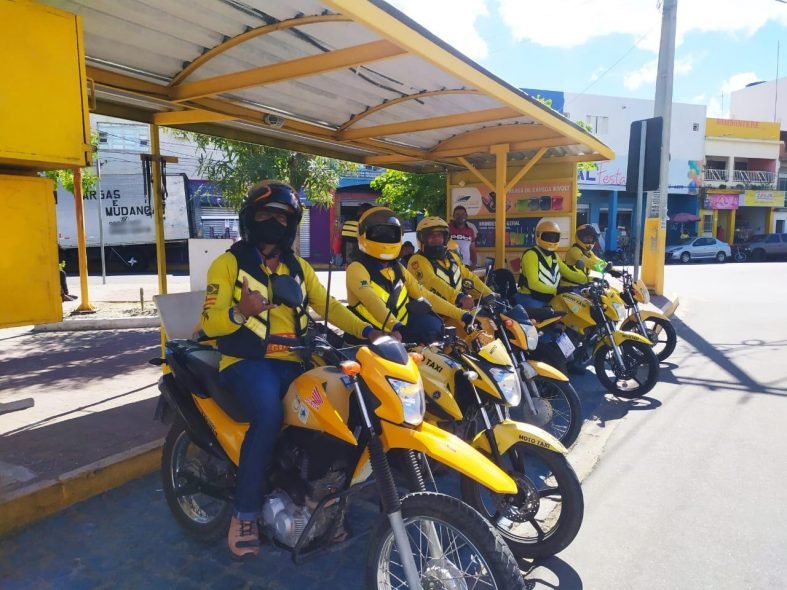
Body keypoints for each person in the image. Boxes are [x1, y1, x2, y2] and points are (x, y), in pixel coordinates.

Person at [200, 181, 382, 558]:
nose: (273, 223)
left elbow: (330, 307)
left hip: (295, 359)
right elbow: (210, 321)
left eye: (282, 218)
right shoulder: (228, 264)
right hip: (246, 361)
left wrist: (369, 331)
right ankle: (245, 514)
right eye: (265, 215)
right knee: (268, 416)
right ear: (250, 218)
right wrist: (241, 311)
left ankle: (322, 501)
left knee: (341, 409)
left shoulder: (298, 268)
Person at [346, 207, 472, 345]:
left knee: (434, 329)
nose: (386, 238)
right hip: (367, 341)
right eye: (379, 234)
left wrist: (461, 314)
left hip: (399, 337)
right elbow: (371, 300)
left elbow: (425, 295)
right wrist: (395, 325)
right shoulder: (356, 268)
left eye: (391, 234)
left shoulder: (397, 268)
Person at [407, 216, 494, 309]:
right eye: (431, 236)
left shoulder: (452, 257)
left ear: (445, 238)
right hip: (431, 311)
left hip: (457, 311)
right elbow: (432, 281)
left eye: (439, 235)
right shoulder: (417, 260)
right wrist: (458, 298)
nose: (436, 238)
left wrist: (488, 294)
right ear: (422, 238)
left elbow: (468, 277)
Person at [516, 220, 587, 308]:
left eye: (555, 237)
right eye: (548, 237)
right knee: (553, 314)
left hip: (548, 296)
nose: (552, 240)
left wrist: (587, 280)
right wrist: (556, 290)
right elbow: (533, 284)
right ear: (538, 235)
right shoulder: (531, 255)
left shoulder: (554, 256)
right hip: (530, 297)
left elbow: (567, 272)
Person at [340, 203, 374, 267]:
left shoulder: (348, 221)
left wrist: (344, 260)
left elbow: (343, 240)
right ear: (366, 212)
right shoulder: (366, 222)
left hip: (348, 257)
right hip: (362, 257)